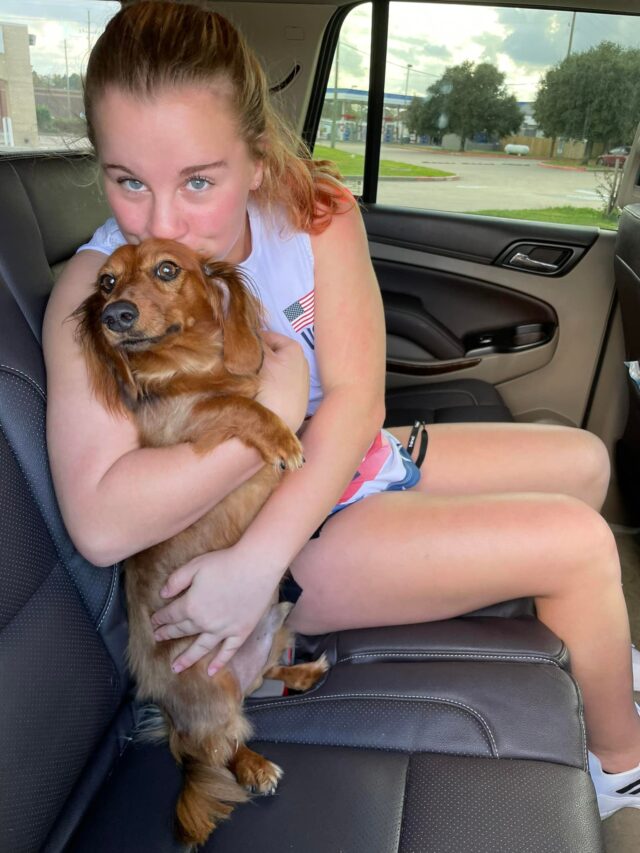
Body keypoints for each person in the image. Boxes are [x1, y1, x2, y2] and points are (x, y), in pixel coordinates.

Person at [43, 1, 640, 819]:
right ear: (102, 168)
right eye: (128, 182)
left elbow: (359, 397)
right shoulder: (96, 289)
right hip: (255, 543)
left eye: (199, 181)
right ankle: (621, 765)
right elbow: (102, 523)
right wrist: (262, 503)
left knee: (586, 461)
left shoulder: (314, 214)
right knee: (579, 545)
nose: (160, 223)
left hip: (339, 461)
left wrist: (297, 422)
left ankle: (600, 651)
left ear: (255, 159)